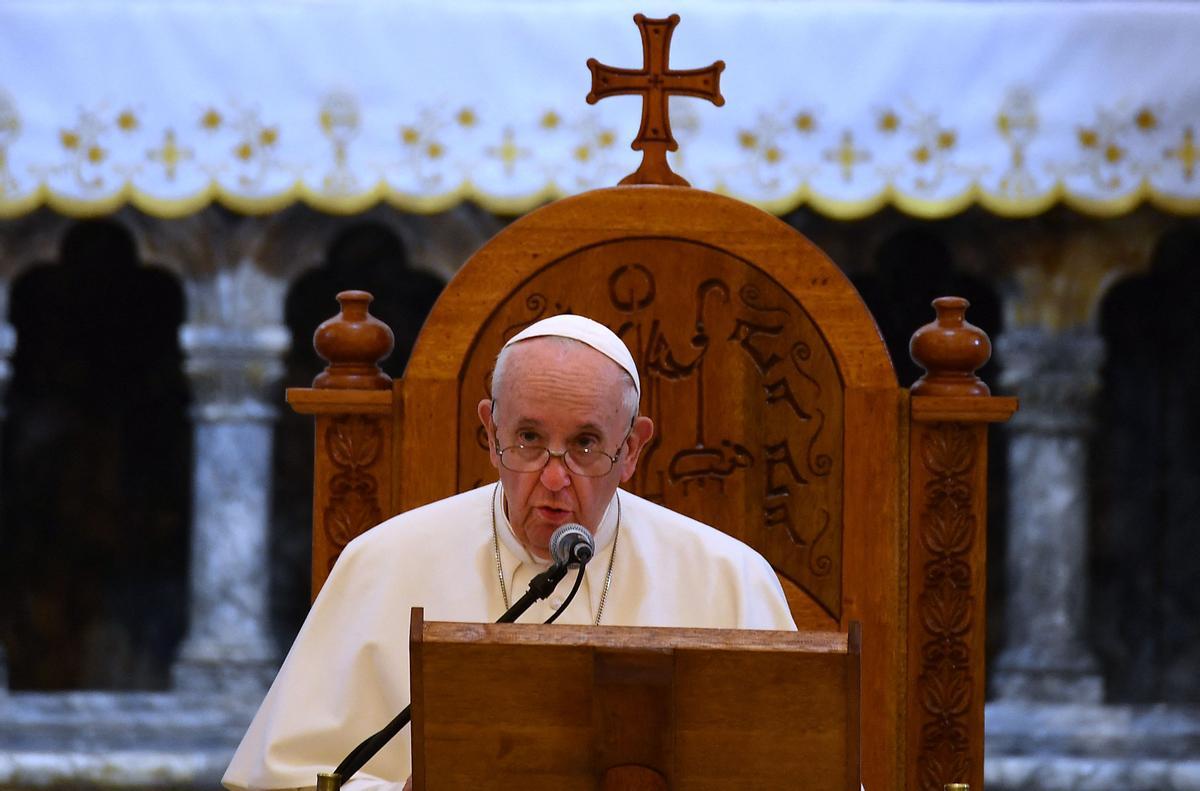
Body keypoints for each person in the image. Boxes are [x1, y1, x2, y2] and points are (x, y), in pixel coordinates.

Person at [223, 314, 797, 791]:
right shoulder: (382, 562)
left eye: (585, 444)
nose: (553, 478)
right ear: (488, 432)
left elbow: (805, 768)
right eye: (528, 440)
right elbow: (286, 777)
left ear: (632, 450)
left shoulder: (726, 578)